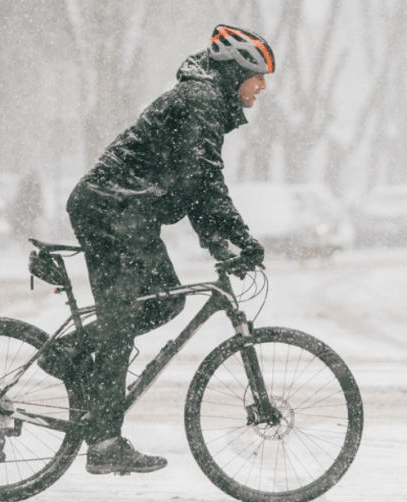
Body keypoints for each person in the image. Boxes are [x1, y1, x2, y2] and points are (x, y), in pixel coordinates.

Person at [42, 24, 275, 475]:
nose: (263, 86)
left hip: (125, 211)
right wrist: (238, 238)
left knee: (161, 305)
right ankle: (105, 443)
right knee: (122, 321)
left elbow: (194, 183)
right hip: (113, 210)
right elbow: (204, 180)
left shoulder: (204, 101)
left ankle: (71, 355)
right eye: (258, 75)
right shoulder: (200, 102)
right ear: (235, 72)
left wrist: (218, 240)